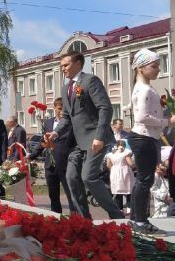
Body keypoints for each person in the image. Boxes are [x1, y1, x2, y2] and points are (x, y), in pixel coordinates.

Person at [49, 50, 123, 219]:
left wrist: (99, 136)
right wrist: (55, 132)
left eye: (66, 65)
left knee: (88, 177)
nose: (63, 69)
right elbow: (67, 117)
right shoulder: (66, 88)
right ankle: (84, 219)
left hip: (94, 138)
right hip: (76, 142)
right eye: (61, 66)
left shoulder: (90, 81)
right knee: (71, 177)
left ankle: (116, 214)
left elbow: (105, 108)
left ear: (78, 64)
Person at [128, 49, 175, 235]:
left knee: (143, 180)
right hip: (144, 137)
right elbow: (142, 116)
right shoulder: (144, 89)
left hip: (146, 137)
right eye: (154, 66)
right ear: (141, 68)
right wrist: (168, 122)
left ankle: (136, 219)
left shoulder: (144, 87)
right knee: (145, 180)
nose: (158, 70)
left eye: (158, 66)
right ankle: (141, 222)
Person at [32, 98, 75, 214]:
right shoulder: (48, 123)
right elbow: (43, 142)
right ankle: (56, 219)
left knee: (71, 195)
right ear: (54, 108)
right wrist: (31, 155)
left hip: (67, 164)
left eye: (64, 109)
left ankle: (75, 220)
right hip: (50, 165)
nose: (61, 112)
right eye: (59, 109)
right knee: (53, 195)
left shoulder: (71, 123)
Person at [106, 140, 134, 215]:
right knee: (129, 190)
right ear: (125, 145)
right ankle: (129, 208)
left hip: (114, 171)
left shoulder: (111, 153)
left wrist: (114, 169)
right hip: (125, 171)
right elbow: (130, 163)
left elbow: (108, 165)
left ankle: (120, 209)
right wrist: (134, 166)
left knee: (118, 191)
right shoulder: (126, 152)